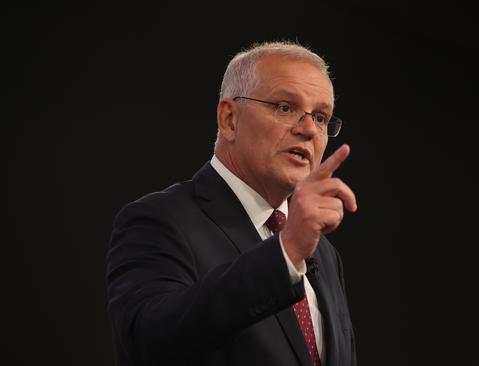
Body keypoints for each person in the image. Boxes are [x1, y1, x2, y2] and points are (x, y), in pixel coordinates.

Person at [106, 41, 358, 366]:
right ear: (229, 119)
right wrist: (285, 253)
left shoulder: (323, 253)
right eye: (284, 107)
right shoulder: (159, 220)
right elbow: (146, 341)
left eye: (321, 117)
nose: (309, 129)